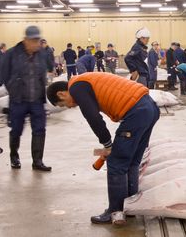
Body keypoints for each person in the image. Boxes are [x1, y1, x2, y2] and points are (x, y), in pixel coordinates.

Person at [46, 73, 160, 225]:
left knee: (116, 163)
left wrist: (107, 144)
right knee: (132, 161)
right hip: (150, 108)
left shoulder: (76, 87)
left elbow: (93, 117)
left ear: (61, 93)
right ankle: (130, 207)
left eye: (64, 103)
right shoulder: (85, 81)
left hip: (136, 111)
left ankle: (115, 211)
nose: (69, 106)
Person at [0, 26, 52, 171]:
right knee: (16, 130)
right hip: (18, 100)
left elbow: (45, 71)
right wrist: (13, 88)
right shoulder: (11, 54)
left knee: (40, 130)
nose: (37, 43)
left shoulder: (41, 54)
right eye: (34, 40)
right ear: (25, 40)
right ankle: (14, 156)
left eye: (38, 40)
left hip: (37, 100)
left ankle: (37, 161)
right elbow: (3, 74)